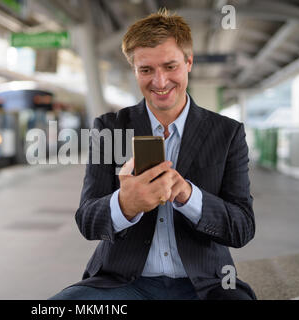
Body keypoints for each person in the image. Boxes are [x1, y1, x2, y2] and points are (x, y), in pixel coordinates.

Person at [50, 8, 256, 300]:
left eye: (170, 66)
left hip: (205, 286)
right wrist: (124, 205)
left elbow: (242, 227)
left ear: (188, 62)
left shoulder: (227, 133)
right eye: (146, 70)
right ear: (134, 70)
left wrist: (187, 195)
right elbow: (87, 220)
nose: (159, 82)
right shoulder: (108, 128)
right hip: (122, 283)